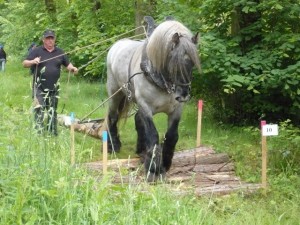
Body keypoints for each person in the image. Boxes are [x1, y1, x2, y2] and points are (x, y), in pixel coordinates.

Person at [22, 29, 78, 135]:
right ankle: (39, 131)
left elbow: (68, 65)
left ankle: (52, 131)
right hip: (38, 86)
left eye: (51, 38)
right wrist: (33, 61)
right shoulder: (37, 51)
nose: (50, 41)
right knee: (39, 108)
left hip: (54, 87)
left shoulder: (60, 52)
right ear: (43, 40)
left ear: (54, 39)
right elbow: (24, 63)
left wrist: (73, 69)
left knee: (52, 110)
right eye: (47, 38)